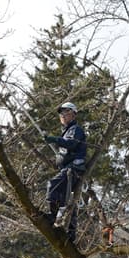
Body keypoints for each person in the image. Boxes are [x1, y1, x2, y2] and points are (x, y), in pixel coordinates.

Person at [44, 102, 86, 242]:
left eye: (66, 112)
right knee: (68, 202)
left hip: (73, 169)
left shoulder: (75, 129)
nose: (62, 115)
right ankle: (70, 233)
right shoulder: (67, 131)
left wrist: (55, 139)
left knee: (53, 185)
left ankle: (52, 216)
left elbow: (71, 143)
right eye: (61, 113)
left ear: (73, 113)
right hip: (68, 169)